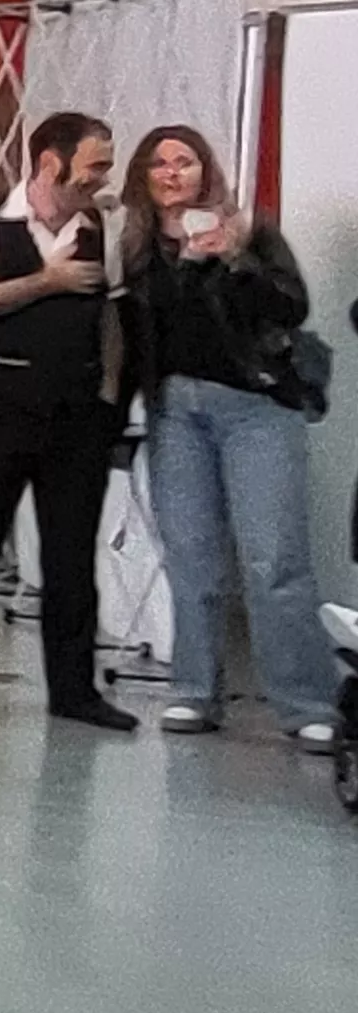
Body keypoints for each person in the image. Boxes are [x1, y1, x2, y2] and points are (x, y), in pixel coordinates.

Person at [119, 124, 337, 753]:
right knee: (192, 560)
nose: (172, 174)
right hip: (176, 414)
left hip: (255, 409)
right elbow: (140, 328)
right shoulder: (137, 247)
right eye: (158, 164)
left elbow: (290, 309)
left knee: (274, 559)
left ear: (204, 170)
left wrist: (235, 260)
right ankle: (194, 689)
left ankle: (307, 703)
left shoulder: (250, 231)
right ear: (144, 177)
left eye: (184, 162)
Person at [0, 111, 136, 732]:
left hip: (77, 414)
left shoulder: (100, 225)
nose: (104, 176)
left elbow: (113, 321)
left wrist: (110, 399)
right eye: (96, 163)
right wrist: (46, 281)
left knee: (73, 555)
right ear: (51, 161)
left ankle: (74, 689)